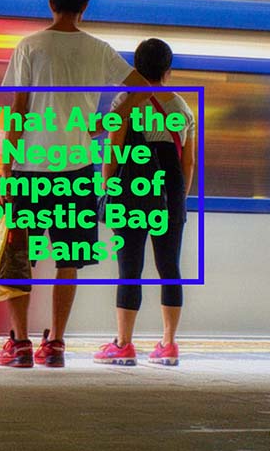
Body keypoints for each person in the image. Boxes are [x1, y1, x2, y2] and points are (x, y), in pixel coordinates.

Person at [0, 0, 151, 368]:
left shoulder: (30, 46)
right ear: (85, 7)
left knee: (20, 255)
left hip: (29, 165)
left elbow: (19, 110)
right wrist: (104, 124)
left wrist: (7, 168)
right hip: (76, 168)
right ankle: (57, 344)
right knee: (68, 258)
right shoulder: (97, 49)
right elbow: (143, 89)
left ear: (50, 3)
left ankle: (21, 345)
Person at [93, 38, 195, 367]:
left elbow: (114, 150)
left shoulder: (126, 101)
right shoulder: (182, 108)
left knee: (129, 270)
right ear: (168, 71)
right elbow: (188, 162)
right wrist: (178, 198)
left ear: (136, 68)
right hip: (170, 193)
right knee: (170, 269)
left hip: (131, 192)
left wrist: (109, 186)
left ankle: (123, 345)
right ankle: (168, 345)